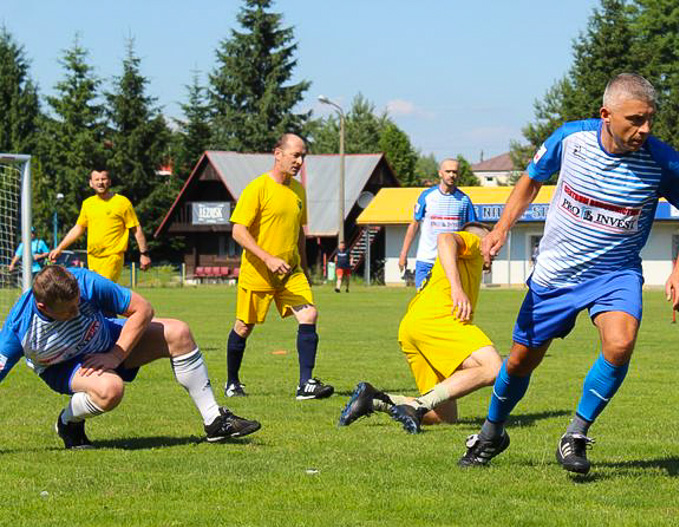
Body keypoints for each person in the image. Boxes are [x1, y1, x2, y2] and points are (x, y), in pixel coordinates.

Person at [458, 73, 679, 472]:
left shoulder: (662, 161)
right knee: (521, 362)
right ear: (606, 115)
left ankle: (575, 433)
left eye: (649, 120)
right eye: (635, 120)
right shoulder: (570, 140)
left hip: (616, 272)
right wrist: (502, 228)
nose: (644, 129)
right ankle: (492, 432)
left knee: (620, 343)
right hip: (556, 274)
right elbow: (530, 181)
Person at [0, 265, 261, 449]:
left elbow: (143, 309)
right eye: (68, 311)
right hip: (62, 365)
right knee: (110, 389)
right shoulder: (18, 329)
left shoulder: (86, 282)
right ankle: (68, 422)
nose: (77, 310)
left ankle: (215, 421)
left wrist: (115, 354)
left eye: (78, 302)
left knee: (178, 332)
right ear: (43, 307)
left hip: (108, 342)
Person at [338, 222, 502, 433]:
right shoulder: (474, 242)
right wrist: (456, 289)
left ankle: (373, 400)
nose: (496, 249)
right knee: (495, 368)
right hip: (438, 320)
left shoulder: (467, 262)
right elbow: (445, 238)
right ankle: (417, 406)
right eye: (494, 244)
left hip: (413, 325)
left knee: (444, 417)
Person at [224, 134, 334, 401]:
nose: (299, 161)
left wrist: (304, 269)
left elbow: (299, 233)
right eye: (295, 155)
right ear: (278, 154)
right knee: (244, 326)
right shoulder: (258, 187)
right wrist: (268, 258)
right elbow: (238, 231)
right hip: (258, 271)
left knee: (309, 315)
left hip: (290, 272)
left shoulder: (298, 191)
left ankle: (305, 384)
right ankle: (232, 382)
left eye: (303, 156)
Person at [49, 169, 151, 282]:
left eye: (103, 179)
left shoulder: (122, 202)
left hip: (113, 257)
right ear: (91, 183)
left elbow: (136, 229)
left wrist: (144, 254)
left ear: (110, 182)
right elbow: (79, 228)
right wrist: (60, 248)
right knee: (96, 294)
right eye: (97, 179)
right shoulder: (88, 204)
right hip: (92, 257)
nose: (100, 182)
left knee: (102, 290)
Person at [399, 159, 478, 288]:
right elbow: (414, 225)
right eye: (448, 171)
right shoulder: (427, 196)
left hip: (451, 263)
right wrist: (403, 254)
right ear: (440, 173)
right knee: (423, 302)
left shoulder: (464, 200)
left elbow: (472, 231)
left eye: (455, 172)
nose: (451, 175)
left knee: (448, 304)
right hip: (427, 261)